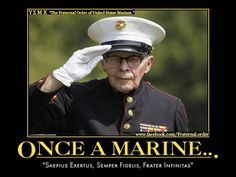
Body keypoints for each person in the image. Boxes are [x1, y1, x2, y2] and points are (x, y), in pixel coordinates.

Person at [29, 16, 188, 136]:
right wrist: (58, 78)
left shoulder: (170, 108)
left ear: (148, 64)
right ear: (102, 63)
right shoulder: (73, 98)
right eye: (114, 59)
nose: (123, 68)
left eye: (133, 59)